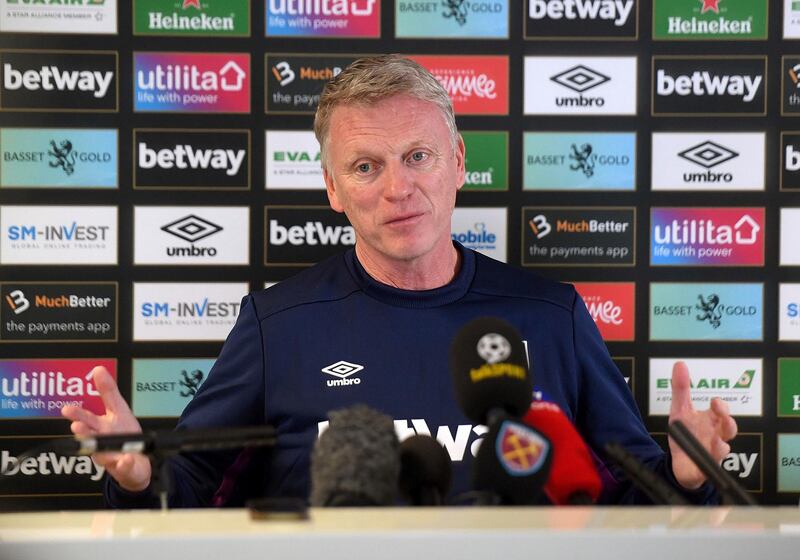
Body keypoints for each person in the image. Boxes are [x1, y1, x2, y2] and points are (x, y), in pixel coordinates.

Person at [62, 55, 737, 507]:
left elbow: (638, 501)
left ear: (458, 162)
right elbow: (197, 490)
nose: (399, 188)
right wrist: (138, 473)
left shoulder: (551, 315)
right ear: (332, 188)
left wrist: (689, 473)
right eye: (366, 167)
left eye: (418, 156)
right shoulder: (277, 325)